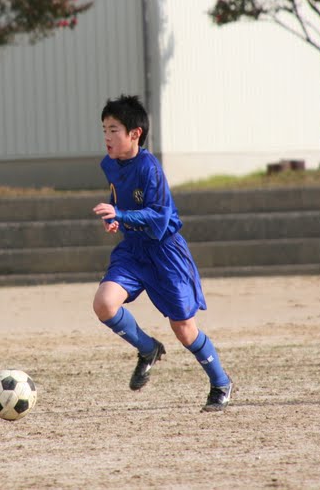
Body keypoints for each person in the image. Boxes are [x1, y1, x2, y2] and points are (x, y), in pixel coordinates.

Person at [91, 94, 233, 412]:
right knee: (103, 304)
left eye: (113, 129)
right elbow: (118, 195)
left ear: (134, 133)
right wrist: (115, 217)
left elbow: (159, 217)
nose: (107, 137)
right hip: (133, 251)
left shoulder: (150, 169)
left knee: (183, 329)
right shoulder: (108, 164)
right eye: (104, 129)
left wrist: (122, 214)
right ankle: (147, 349)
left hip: (166, 253)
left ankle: (221, 382)